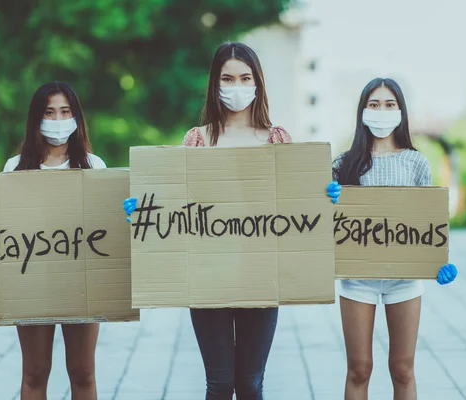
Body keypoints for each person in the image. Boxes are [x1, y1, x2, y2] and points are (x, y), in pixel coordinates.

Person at [123, 42, 338, 400]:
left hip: (262, 275)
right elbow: (178, 206)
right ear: (215, 83)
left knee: (251, 385)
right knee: (220, 385)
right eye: (227, 78)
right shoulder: (197, 140)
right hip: (208, 278)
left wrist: (323, 194)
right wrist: (143, 208)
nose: (236, 86)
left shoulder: (276, 140)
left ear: (257, 83)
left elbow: (296, 203)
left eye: (244, 77)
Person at [0, 81, 106, 400]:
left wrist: (125, 217)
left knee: (84, 372)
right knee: (33, 373)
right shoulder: (15, 169)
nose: (58, 120)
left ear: (77, 118)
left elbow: (106, 230)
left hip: (81, 282)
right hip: (32, 283)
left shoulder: (94, 166)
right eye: (49, 112)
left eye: (65, 112)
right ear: (36, 119)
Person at [329, 77, 458, 400]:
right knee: (359, 369)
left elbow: (427, 222)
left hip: (404, 280)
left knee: (403, 369)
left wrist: (438, 261)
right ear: (362, 112)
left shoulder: (416, 163)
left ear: (401, 112)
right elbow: (325, 224)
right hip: (358, 281)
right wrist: (326, 198)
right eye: (374, 104)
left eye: (390, 104)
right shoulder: (343, 165)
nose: (382, 111)